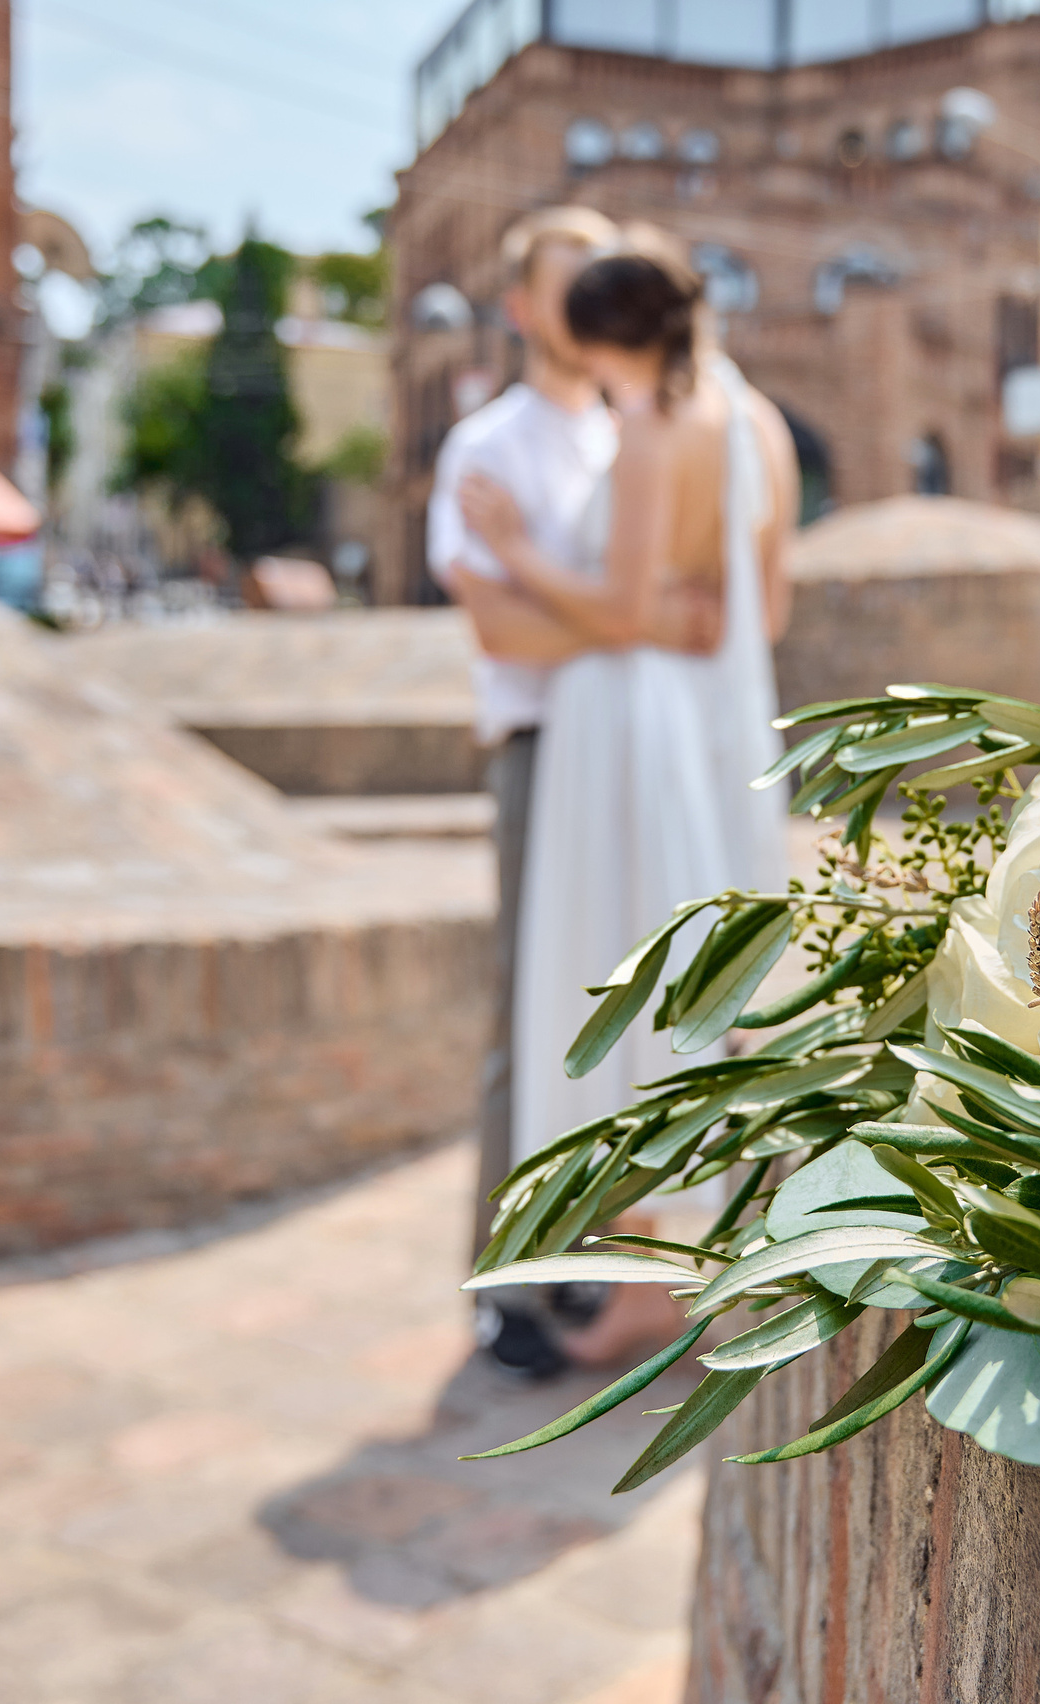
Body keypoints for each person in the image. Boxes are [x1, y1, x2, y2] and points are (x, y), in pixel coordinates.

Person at [452, 247, 801, 1368]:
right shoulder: (749, 418)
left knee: (611, 977)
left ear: (605, 340)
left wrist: (513, 550)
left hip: (622, 723)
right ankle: (689, 1242)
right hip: (684, 721)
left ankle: (653, 1266)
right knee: (673, 971)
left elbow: (615, 608)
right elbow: (734, 602)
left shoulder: (657, 424)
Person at [428, 206, 622, 1378]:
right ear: (519, 310)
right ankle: (507, 1280)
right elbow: (497, 620)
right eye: (569, 283)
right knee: (523, 1006)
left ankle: (594, 1248)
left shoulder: (628, 438)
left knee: (609, 1005)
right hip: (543, 743)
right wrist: (614, 623)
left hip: (626, 754)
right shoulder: (486, 445)